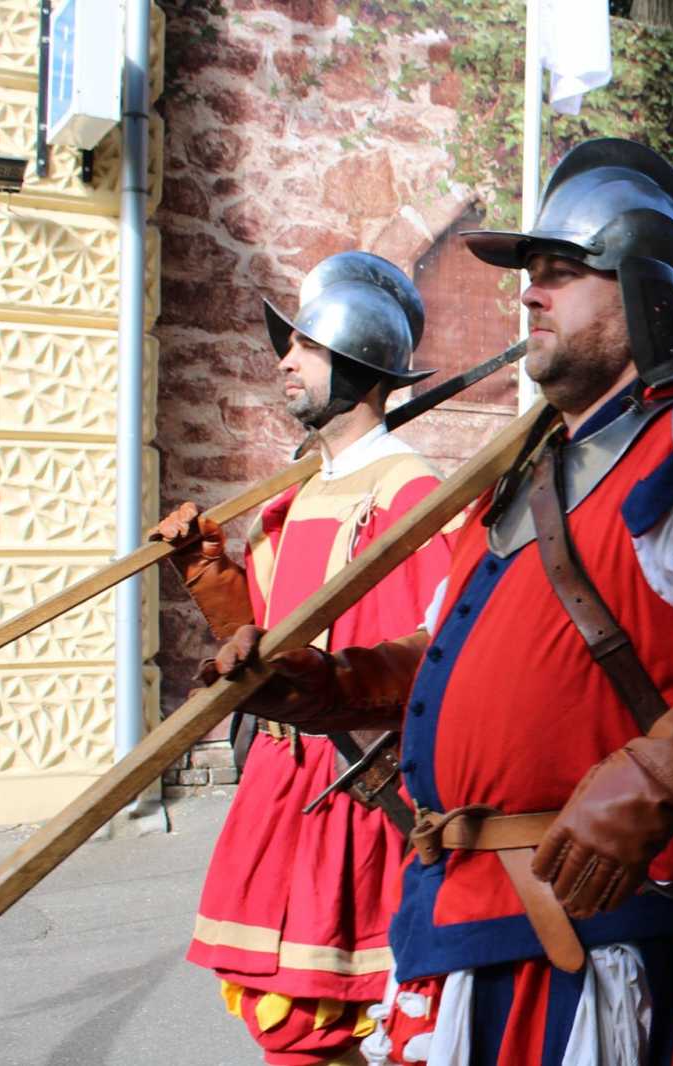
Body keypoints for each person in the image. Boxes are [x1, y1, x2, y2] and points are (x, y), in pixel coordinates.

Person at [199, 139, 673, 1064]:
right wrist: (318, 684)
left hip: (603, 928)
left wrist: (654, 778)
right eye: (531, 273)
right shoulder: (523, 473)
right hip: (471, 912)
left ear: (644, 293)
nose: (529, 294)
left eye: (561, 272)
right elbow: (442, 659)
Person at [153, 252, 459, 1066]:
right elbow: (261, 638)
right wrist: (208, 573)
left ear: (358, 369)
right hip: (282, 781)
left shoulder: (409, 493)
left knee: (346, 1026)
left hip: (355, 786)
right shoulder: (292, 497)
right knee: (285, 1022)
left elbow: (423, 667)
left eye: (306, 350)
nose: (284, 363)